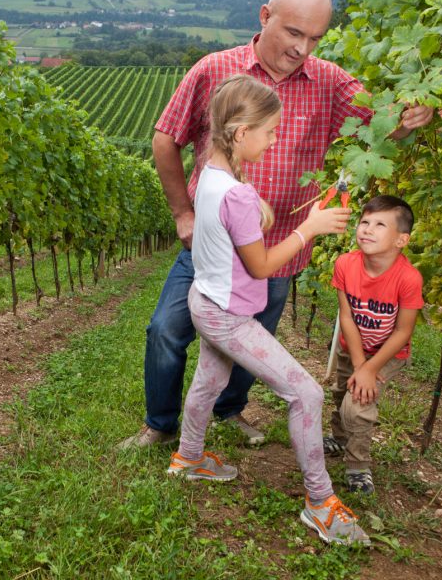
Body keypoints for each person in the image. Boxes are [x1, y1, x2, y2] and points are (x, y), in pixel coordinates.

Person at [118, 0, 433, 449]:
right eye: (293, 33)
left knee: (252, 345)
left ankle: (228, 411)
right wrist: (183, 213)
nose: (303, 48)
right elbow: (166, 138)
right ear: (265, 17)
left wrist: (408, 120)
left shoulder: (328, 81)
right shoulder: (214, 70)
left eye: (315, 38)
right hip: (214, 248)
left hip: (280, 252)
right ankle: (159, 425)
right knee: (165, 330)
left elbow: (382, 127)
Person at [166, 75, 369, 547]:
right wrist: (311, 228)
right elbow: (259, 266)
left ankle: (189, 457)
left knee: (208, 380)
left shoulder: (212, 173)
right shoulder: (234, 190)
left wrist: (256, 205)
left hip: (206, 300)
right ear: (240, 134)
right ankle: (320, 503)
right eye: (271, 131)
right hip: (229, 315)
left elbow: (233, 216)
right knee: (307, 394)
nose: (276, 139)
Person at [323, 196, 424, 495]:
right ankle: (339, 438)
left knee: (359, 404)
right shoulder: (345, 264)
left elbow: (403, 332)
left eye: (380, 224)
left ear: (401, 240)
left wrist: (371, 368)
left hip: (387, 354)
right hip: (352, 347)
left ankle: (358, 465)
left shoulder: (408, 278)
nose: (367, 229)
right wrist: (358, 365)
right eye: (365, 221)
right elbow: (347, 316)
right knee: (342, 391)